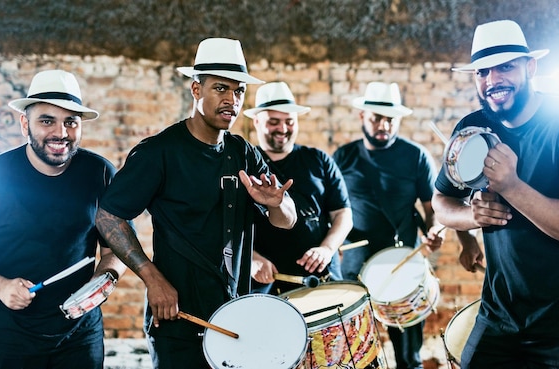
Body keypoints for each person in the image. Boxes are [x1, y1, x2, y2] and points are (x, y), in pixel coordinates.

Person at [94, 38, 297, 369]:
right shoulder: (158, 152)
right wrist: (152, 278)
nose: (231, 99)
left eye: (238, 91)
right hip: (177, 319)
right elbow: (108, 216)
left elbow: (287, 220)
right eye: (220, 88)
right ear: (196, 90)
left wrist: (276, 204)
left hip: (235, 316)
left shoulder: (243, 152)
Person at [0, 69, 127, 369]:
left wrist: (104, 280)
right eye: (47, 120)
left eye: (71, 122)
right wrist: (0, 286)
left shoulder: (100, 173)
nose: (61, 133)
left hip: (79, 334)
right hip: (6, 335)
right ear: (25, 124)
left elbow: (115, 250)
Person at [432, 19, 559, 369]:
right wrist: (471, 217)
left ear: (530, 66)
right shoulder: (471, 128)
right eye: (482, 72)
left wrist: (512, 186)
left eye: (505, 67)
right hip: (498, 317)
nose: (492, 81)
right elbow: (441, 202)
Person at [333, 81, 444, 369]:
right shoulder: (343, 156)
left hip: (402, 257)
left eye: (390, 120)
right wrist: (331, 244)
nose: (384, 125)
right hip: (355, 260)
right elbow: (329, 209)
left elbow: (431, 206)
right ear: (362, 117)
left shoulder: (415, 155)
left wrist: (432, 231)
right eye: (377, 118)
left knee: (408, 353)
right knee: (356, 348)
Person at [244, 81, 353, 295]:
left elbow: (343, 213)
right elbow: (224, 226)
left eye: (289, 121)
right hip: (267, 283)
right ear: (256, 121)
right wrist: (252, 259)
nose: (282, 129)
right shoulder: (244, 165)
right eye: (273, 121)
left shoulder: (319, 159)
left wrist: (327, 249)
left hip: (321, 277)